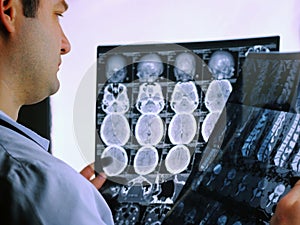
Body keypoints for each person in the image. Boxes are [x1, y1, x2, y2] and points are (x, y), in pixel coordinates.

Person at [0, 0, 114, 224]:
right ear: (9, 11)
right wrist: (64, 198)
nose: (66, 45)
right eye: (57, 14)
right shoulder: (35, 179)